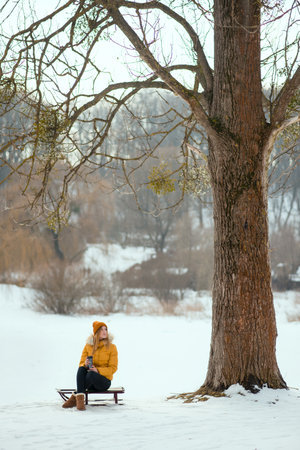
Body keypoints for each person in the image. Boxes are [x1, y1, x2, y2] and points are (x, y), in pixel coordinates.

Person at [62, 321, 118, 411]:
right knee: (81, 369)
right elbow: (81, 363)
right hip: (89, 382)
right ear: (96, 332)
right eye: (101, 330)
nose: (104, 332)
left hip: (103, 382)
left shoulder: (112, 347)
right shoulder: (88, 346)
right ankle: (80, 400)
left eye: (106, 329)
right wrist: (85, 364)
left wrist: (98, 371)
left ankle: (75, 398)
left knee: (92, 374)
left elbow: (113, 368)